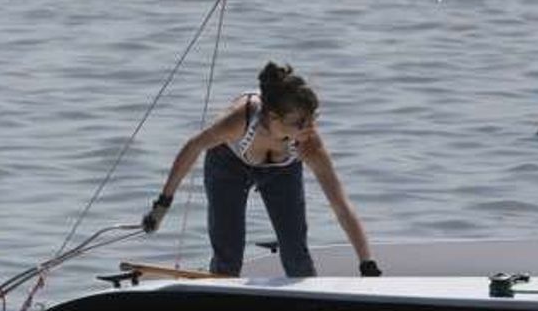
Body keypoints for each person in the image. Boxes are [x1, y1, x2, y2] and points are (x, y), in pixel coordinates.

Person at [142, 62, 380, 278]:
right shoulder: (238, 121)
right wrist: (162, 205)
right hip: (228, 163)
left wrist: (366, 263)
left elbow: (341, 205)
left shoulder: (309, 144)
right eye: (300, 123)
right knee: (229, 254)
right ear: (273, 117)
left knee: (296, 253)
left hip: (282, 170)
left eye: (312, 119)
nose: (309, 128)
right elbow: (193, 148)